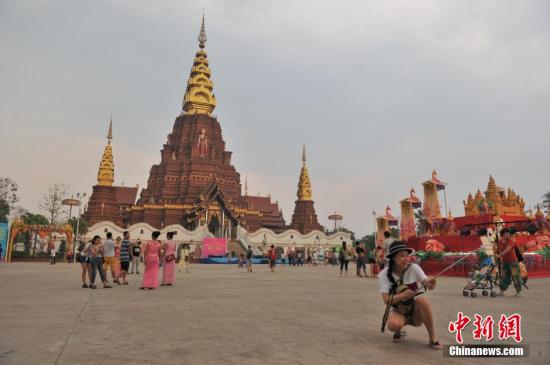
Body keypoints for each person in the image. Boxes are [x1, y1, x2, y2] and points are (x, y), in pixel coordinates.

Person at [379, 241, 440, 349]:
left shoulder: (414, 268)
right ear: (393, 258)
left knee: (422, 300)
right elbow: (386, 300)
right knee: (393, 324)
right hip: (399, 311)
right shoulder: (384, 274)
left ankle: (432, 337)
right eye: (402, 256)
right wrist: (403, 295)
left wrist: (431, 284)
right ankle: (398, 330)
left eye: (407, 256)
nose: (406, 258)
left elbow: (427, 284)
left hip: (415, 311)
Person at [495, 228, 521, 297]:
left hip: (513, 263)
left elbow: (508, 250)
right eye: (506, 234)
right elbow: (497, 250)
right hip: (504, 263)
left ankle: (518, 292)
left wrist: (500, 255)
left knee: (515, 277)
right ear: (502, 235)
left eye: (509, 234)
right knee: (503, 277)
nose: (508, 235)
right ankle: (502, 291)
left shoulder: (511, 242)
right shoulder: (499, 242)